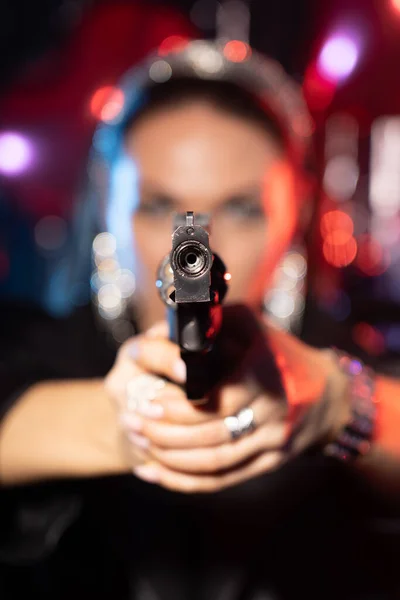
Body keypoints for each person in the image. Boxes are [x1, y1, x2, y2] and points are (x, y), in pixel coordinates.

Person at [0, 40, 399, 600]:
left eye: (240, 207)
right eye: (159, 204)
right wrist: (116, 424)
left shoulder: (342, 352)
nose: (198, 241)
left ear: (300, 207)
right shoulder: (39, 346)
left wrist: (337, 405)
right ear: (106, 201)